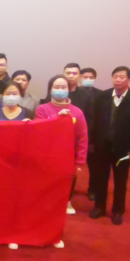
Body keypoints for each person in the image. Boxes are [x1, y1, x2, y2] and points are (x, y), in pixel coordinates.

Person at [90, 67, 130, 225]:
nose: (118, 80)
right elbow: (94, 121)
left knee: (120, 180)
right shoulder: (102, 97)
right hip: (102, 146)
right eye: (115, 76)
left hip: (123, 149)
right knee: (100, 178)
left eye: (122, 77)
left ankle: (117, 211)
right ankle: (99, 207)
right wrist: (92, 142)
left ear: (129, 79)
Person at [35, 75, 88, 215]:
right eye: (56, 87)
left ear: (69, 89)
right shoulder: (42, 109)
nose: (60, 90)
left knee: (67, 182)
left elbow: (82, 138)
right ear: (50, 90)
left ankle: (66, 201)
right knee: (47, 183)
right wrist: (57, 118)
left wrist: (80, 162)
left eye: (63, 87)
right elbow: (39, 130)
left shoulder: (77, 112)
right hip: (47, 155)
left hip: (68, 156)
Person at [80, 67, 102, 199]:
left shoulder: (101, 95)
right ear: (80, 78)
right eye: (85, 77)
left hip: (94, 135)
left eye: (91, 77)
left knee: (95, 166)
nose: (88, 79)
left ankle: (93, 189)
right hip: (77, 135)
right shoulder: (74, 93)